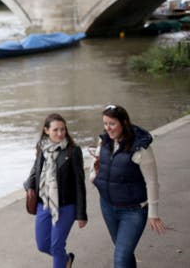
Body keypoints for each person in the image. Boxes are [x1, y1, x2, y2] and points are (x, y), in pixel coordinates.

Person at [90, 104, 166, 267]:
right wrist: (93, 176)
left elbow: (152, 181)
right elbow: (96, 161)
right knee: (124, 254)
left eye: (112, 124)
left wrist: (153, 213)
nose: (107, 128)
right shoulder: (104, 140)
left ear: (123, 123)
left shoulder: (140, 148)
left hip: (133, 211)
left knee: (120, 259)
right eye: (105, 123)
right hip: (108, 206)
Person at [25, 114, 87, 268]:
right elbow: (35, 171)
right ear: (46, 130)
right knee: (43, 245)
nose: (60, 133)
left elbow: (80, 184)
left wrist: (81, 214)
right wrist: (29, 187)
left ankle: (61, 261)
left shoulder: (73, 151)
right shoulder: (42, 147)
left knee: (56, 246)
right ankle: (66, 260)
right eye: (55, 130)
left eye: (63, 129)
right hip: (44, 204)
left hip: (66, 206)